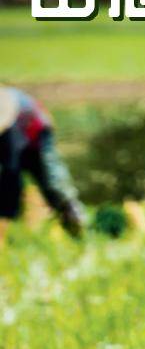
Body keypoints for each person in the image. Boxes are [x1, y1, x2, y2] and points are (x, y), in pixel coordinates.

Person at [0, 86, 86, 241]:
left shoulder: (8, 120)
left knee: (52, 184)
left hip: (38, 137)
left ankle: (76, 226)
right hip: (15, 136)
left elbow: (11, 172)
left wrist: (4, 216)